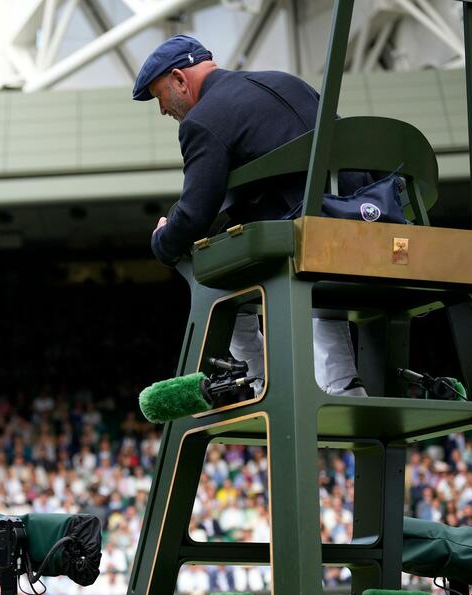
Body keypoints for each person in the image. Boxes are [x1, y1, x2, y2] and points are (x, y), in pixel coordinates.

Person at [132, 35, 369, 397]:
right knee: (311, 235)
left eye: (159, 96)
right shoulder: (285, 81)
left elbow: (195, 216)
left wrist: (162, 240)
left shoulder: (203, 121)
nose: (163, 110)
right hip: (371, 230)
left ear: (180, 79)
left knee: (211, 267)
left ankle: (261, 379)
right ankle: (342, 382)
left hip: (311, 248)